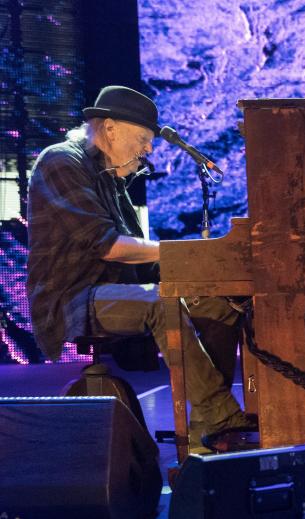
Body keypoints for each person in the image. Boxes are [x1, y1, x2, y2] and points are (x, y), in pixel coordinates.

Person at [26, 85, 255, 447]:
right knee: (161, 304)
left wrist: (206, 275)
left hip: (112, 290)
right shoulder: (60, 162)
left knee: (218, 304)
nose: (148, 150)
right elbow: (108, 247)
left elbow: (145, 266)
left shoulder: (110, 179)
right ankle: (222, 416)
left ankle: (206, 434)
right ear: (111, 129)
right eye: (144, 139)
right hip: (70, 296)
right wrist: (185, 253)